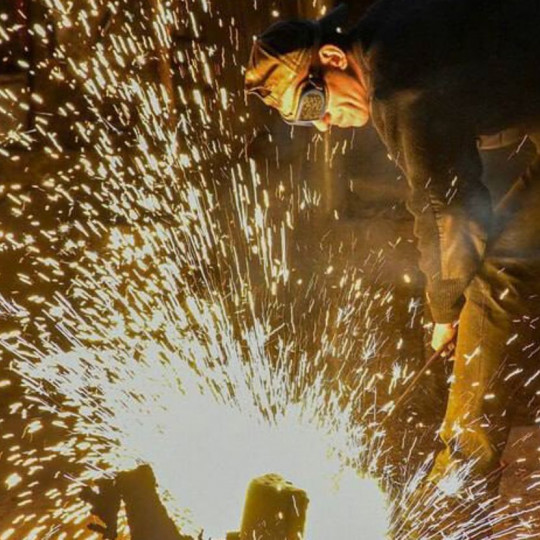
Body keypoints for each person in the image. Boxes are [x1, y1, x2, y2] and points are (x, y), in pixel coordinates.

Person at [244, 0, 540, 523]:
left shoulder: (399, 85)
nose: (323, 125)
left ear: (332, 58)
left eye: (313, 103)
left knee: (496, 276)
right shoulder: (371, 24)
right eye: (305, 118)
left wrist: (444, 310)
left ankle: (456, 484)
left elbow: (449, 209)